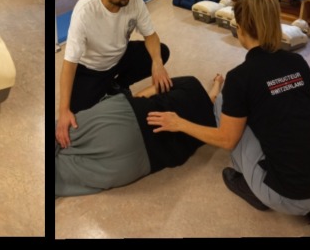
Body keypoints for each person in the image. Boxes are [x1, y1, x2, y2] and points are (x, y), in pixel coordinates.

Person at [147, 0, 310, 222]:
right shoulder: (299, 63)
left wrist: (179, 123)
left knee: (226, 104)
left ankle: (250, 185)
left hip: (287, 196)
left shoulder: (240, 77)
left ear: (241, 29)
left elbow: (226, 140)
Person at [56, 0, 172, 148]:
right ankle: (107, 85)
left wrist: (157, 64)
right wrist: (63, 111)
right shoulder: (85, 11)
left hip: (120, 56)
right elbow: (69, 63)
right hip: (92, 68)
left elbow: (151, 36)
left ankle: (118, 84)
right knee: (79, 115)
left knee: (162, 52)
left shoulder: (133, 0)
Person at [55, 75, 222, 197]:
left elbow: (154, 89)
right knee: (61, 176)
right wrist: (217, 86)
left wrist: (131, 102)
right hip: (142, 161)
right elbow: (211, 100)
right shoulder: (210, 127)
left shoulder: (191, 83)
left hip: (128, 117)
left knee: (61, 133)